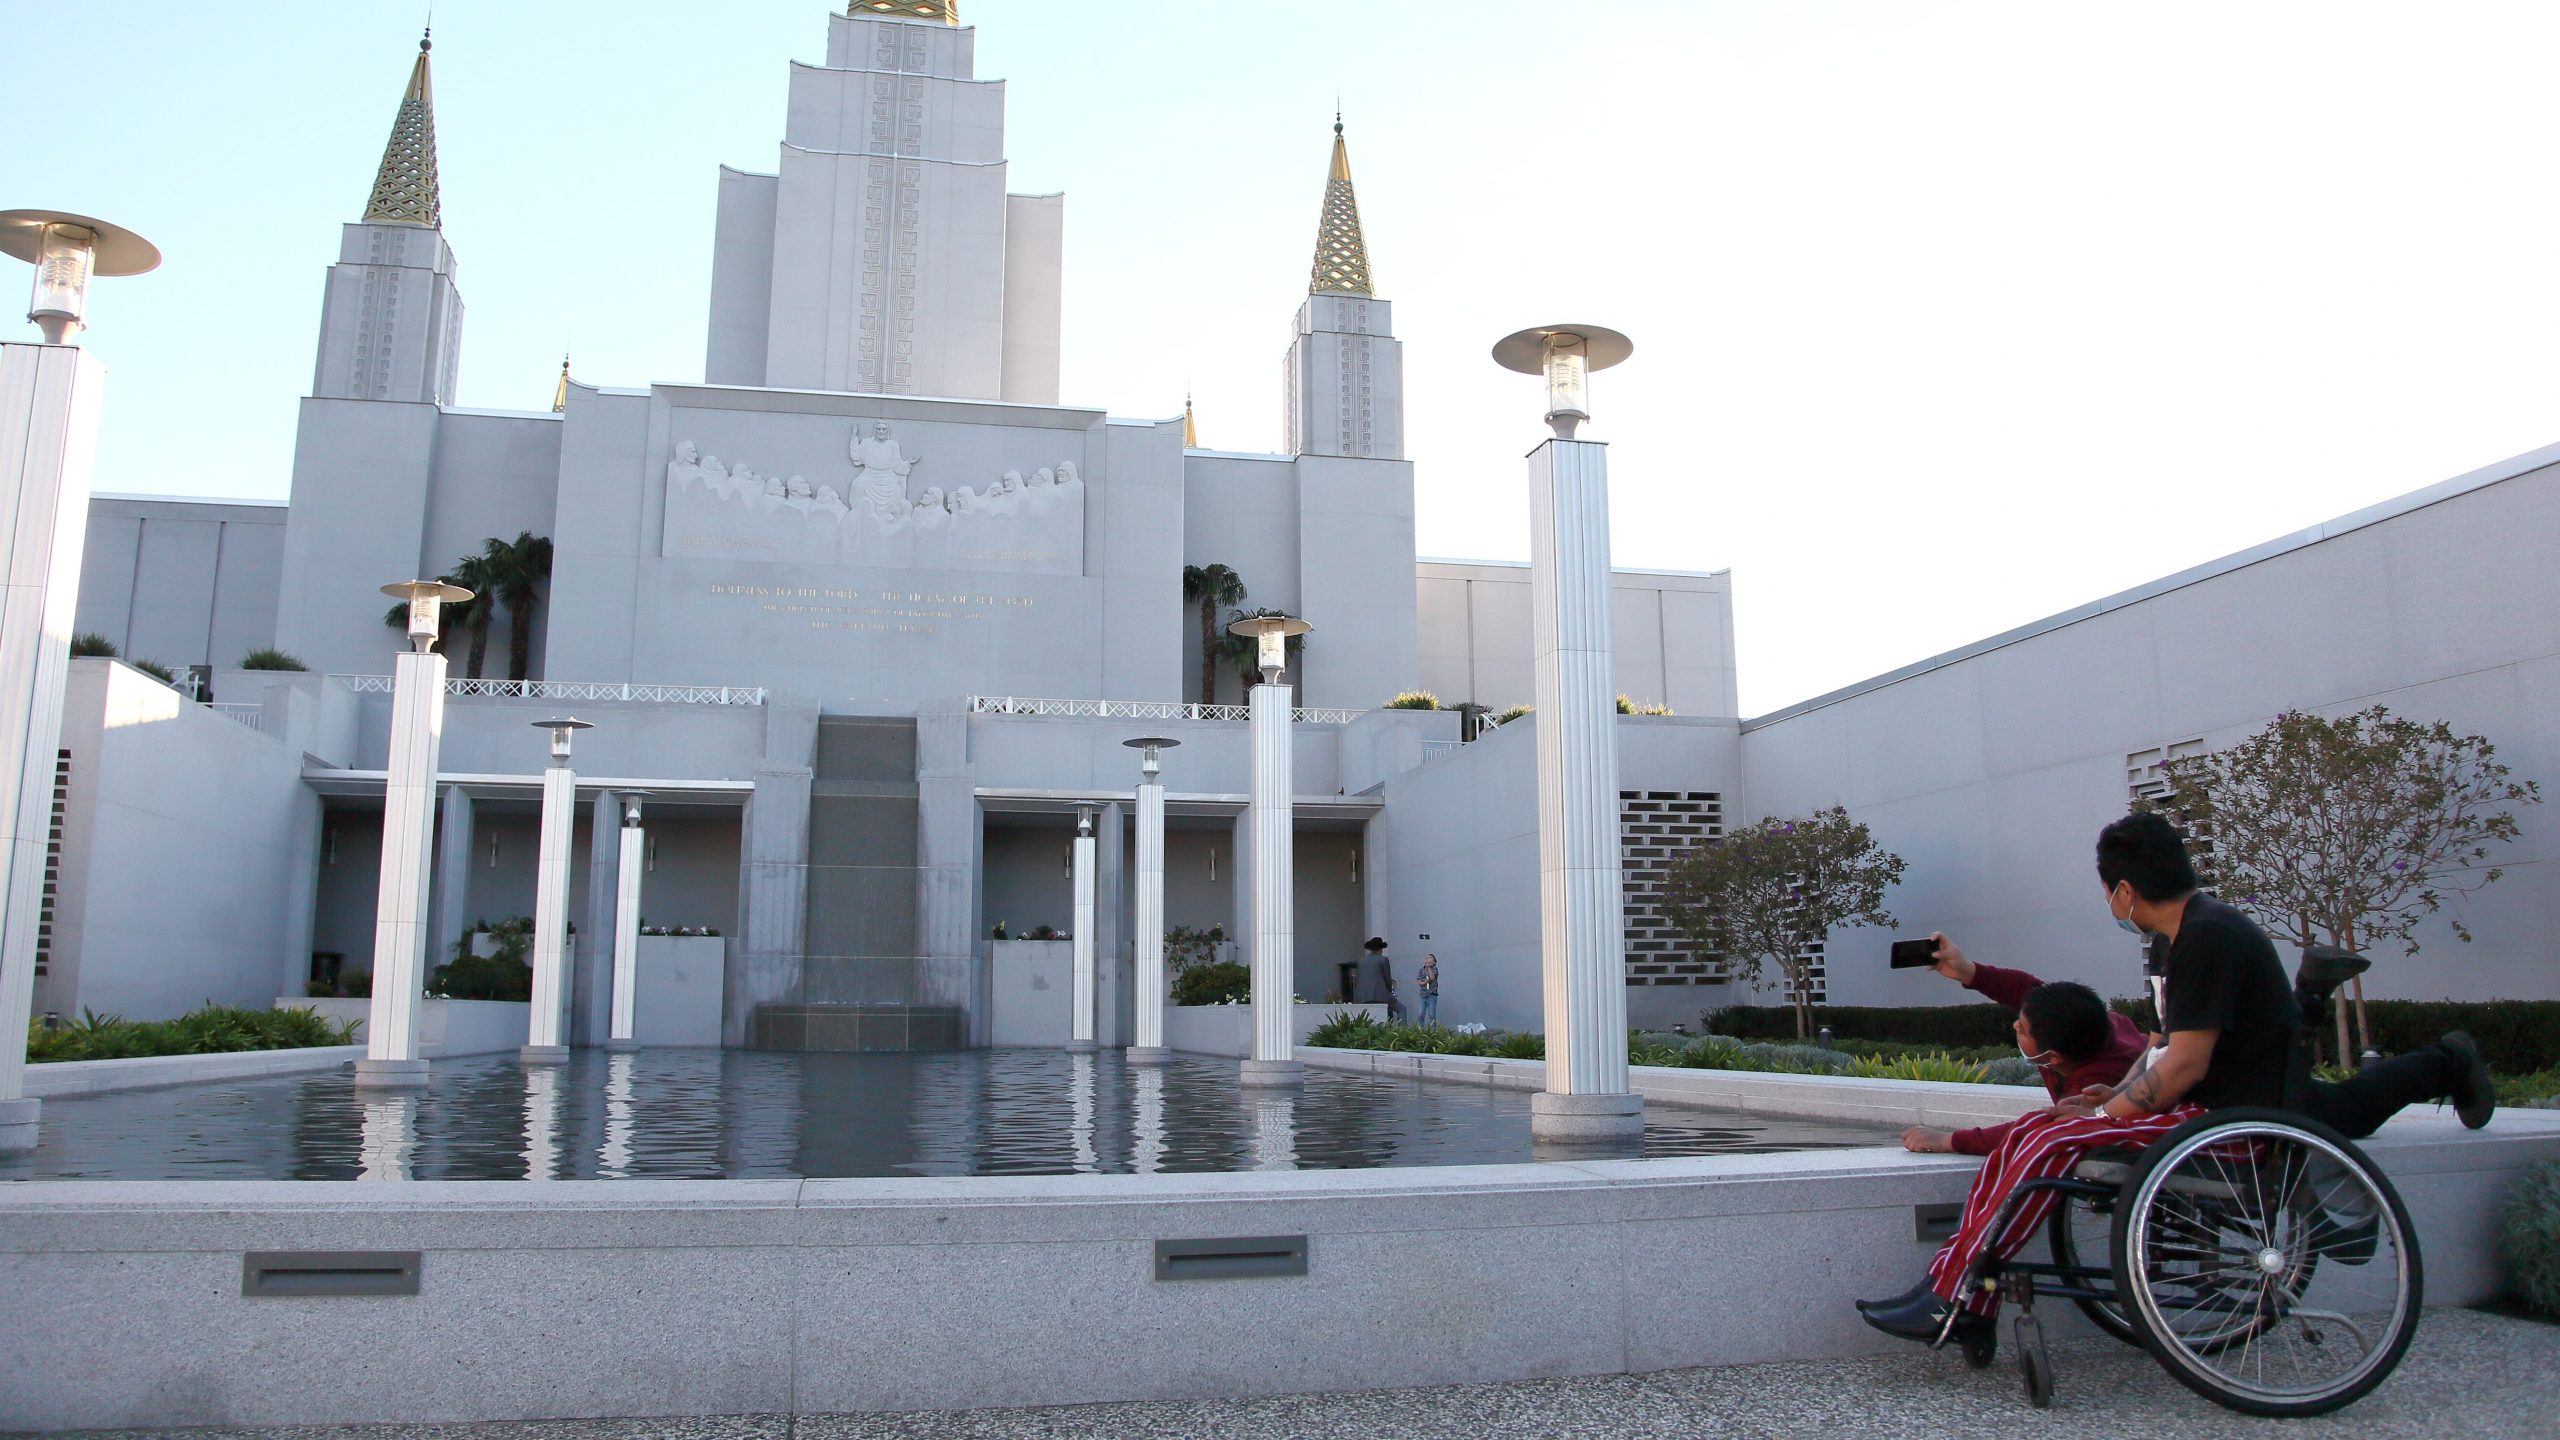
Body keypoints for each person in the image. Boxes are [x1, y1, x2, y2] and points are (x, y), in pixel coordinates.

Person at [1859, 812, 2304, 1346]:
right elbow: (2158, 1048)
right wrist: (2116, 1095)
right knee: (2034, 1130)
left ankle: (1957, 1298)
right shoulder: (2181, 938)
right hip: (2200, 1115)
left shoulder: (2208, 937)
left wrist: (2101, 1115)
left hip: (2227, 1124)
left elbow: (2186, 1065)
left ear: (2123, 891)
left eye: (2106, 893)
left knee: (2048, 1136)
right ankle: (1956, 1291)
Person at [1892, 936, 2147, 1157]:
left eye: (2022, 1029)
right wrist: (1966, 970)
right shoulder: (2080, 1024)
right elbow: (2022, 988)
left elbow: (2039, 1128)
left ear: (2054, 1057)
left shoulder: (2097, 1083)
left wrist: (1947, 1141)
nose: (2015, 1026)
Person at [1416, 952, 1441, 1026]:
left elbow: (1432, 978)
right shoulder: (1421, 970)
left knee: (1431, 1014)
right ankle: (1420, 1030)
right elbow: (1419, 980)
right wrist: (1424, 982)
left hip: (1432, 994)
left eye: (1430, 958)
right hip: (1423, 995)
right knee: (1421, 1014)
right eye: (1427, 958)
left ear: (1434, 962)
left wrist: (1429, 967)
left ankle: (1433, 1030)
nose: (1428, 959)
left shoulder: (1435, 969)